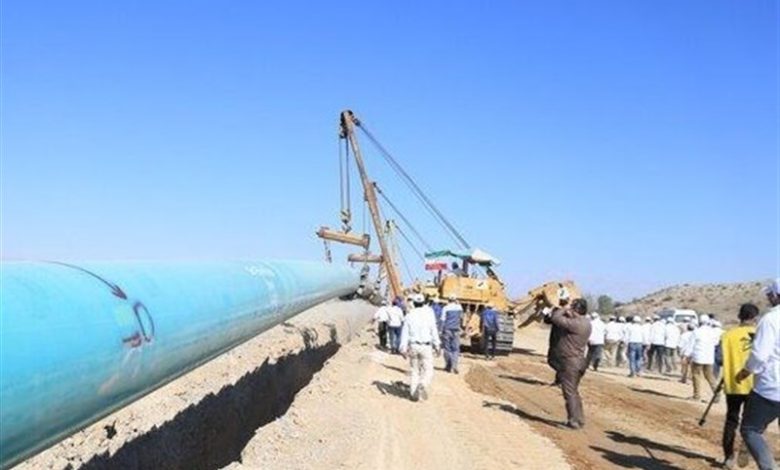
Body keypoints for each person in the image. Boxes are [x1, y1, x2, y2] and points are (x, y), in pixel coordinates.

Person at [736, 279, 780, 470]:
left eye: (769, 294)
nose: (768, 297)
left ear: (775, 295)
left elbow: (760, 354)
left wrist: (746, 371)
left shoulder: (771, 319)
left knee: (750, 429)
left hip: (771, 387)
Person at [719, 303, 759, 469]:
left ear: (739, 316)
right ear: (755, 318)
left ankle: (728, 457)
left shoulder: (727, 335)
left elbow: (719, 360)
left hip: (733, 384)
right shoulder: (760, 334)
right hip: (755, 385)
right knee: (751, 423)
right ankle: (746, 446)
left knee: (731, 420)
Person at [546, 297, 591, 429]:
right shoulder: (586, 323)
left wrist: (563, 308)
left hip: (570, 362)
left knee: (569, 393)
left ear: (576, 309)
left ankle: (573, 422)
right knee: (574, 392)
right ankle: (579, 419)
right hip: (579, 361)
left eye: (572, 307)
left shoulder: (576, 323)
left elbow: (555, 318)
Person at [399, 294, 441, 401]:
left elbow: (405, 333)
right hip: (426, 346)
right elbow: (434, 330)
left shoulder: (409, 315)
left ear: (413, 303)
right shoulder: (429, 315)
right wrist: (437, 345)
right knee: (428, 370)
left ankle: (413, 394)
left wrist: (403, 348)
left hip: (413, 346)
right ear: (423, 303)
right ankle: (422, 384)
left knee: (414, 371)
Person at [686, 314, 720, 402]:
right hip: (709, 358)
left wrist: (687, 355)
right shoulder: (712, 332)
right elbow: (716, 343)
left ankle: (696, 396)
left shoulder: (696, 332)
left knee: (696, 375)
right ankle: (717, 394)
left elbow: (690, 345)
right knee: (710, 376)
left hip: (698, 357)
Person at [441, 294, 464, 373]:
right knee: (455, 349)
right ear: (455, 300)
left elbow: (443, 320)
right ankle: (455, 366)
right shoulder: (459, 307)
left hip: (447, 329)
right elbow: (461, 317)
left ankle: (448, 365)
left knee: (447, 348)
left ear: (448, 300)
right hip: (456, 329)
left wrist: (441, 330)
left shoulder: (445, 308)